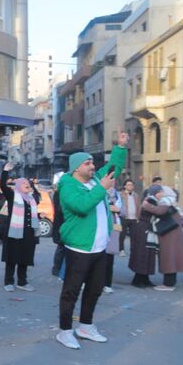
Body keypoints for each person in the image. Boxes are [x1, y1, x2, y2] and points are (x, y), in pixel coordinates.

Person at [55, 130, 127, 350]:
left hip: (98, 248)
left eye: (92, 163)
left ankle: (85, 326)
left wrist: (120, 147)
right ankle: (65, 331)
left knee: (95, 289)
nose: (92, 166)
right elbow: (82, 206)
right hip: (79, 248)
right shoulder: (68, 186)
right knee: (71, 291)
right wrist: (101, 188)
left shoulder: (95, 180)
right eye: (88, 164)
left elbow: (113, 169)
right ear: (76, 167)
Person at [0, 162, 39, 292]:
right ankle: (8, 281)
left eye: (27, 183)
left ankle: (22, 282)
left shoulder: (32, 199)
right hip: (14, 231)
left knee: (24, 258)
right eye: (23, 183)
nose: (26, 184)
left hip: (28, 233)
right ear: (17, 186)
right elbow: (3, 186)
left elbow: (37, 196)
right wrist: (5, 171)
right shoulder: (12, 196)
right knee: (12, 258)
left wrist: (32, 187)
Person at [149, 186, 183, 291]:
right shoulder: (172, 201)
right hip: (174, 234)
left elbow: (159, 211)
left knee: (168, 258)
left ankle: (168, 284)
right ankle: (170, 282)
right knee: (172, 258)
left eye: (161, 191)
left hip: (169, 235)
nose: (159, 193)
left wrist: (147, 206)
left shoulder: (166, 201)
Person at [129, 185, 163, 288]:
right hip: (144, 230)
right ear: (155, 192)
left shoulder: (153, 200)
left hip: (148, 229)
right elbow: (159, 212)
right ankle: (137, 279)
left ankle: (145, 278)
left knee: (149, 254)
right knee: (142, 254)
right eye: (161, 192)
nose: (162, 194)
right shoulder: (150, 201)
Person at [104, 187, 123, 294]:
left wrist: (117, 209)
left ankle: (107, 284)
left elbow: (121, 210)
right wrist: (110, 207)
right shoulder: (99, 193)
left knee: (109, 257)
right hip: (101, 228)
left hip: (114, 228)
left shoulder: (117, 195)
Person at [118, 179, 141, 257]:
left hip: (134, 218)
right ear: (125, 186)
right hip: (124, 217)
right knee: (122, 235)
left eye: (131, 185)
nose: (130, 186)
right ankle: (121, 250)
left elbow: (138, 206)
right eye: (128, 185)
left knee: (134, 236)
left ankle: (133, 251)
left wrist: (138, 217)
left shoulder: (136, 195)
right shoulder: (121, 194)